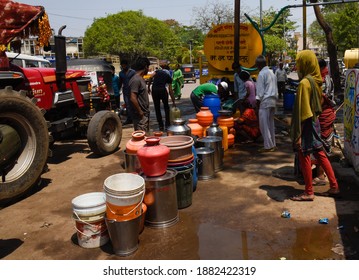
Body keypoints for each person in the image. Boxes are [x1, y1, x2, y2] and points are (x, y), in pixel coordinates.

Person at [290, 50, 339, 201]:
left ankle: (308, 192)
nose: (297, 66)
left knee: (304, 154)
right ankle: (334, 186)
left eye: (299, 62)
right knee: (320, 153)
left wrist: (298, 134)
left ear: (304, 63)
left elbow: (304, 111)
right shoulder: (316, 80)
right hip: (315, 122)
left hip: (307, 124)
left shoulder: (305, 83)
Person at [312, 59, 337, 186]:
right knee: (323, 144)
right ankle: (321, 172)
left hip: (323, 115)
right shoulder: (327, 77)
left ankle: (321, 175)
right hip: (326, 114)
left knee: (321, 145)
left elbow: (321, 99)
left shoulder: (323, 80)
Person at [255, 55, 278, 152]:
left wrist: (257, 102)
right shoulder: (272, 73)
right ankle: (272, 144)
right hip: (273, 100)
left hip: (265, 101)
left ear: (259, 64)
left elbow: (260, 92)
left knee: (264, 125)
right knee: (270, 124)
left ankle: (268, 146)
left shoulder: (261, 74)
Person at [147, 65, 176, 131]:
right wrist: (173, 101)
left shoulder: (157, 71)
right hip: (162, 90)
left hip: (155, 90)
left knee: (157, 108)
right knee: (166, 107)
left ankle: (161, 125)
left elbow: (150, 77)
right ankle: (167, 124)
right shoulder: (168, 76)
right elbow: (170, 90)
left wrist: (148, 87)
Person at [128, 56, 151, 132]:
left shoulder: (140, 79)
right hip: (140, 117)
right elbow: (132, 97)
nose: (149, 69)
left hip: (144, 114)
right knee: (141, 139)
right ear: (145, 67)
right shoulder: (136, 80)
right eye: (148, 67)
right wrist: (140, 112)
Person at [119, 59, 136, 125]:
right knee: (128, 105)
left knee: (134, 104)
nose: (123, 67)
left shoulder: (133, 72)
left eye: (124, 66)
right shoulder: (121, 73)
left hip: (133, 90)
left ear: (127, 65)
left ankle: (135, 118)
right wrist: (118, 90)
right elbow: (120, 82)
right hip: (125, 91)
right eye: (122, 66)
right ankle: (129, 119)